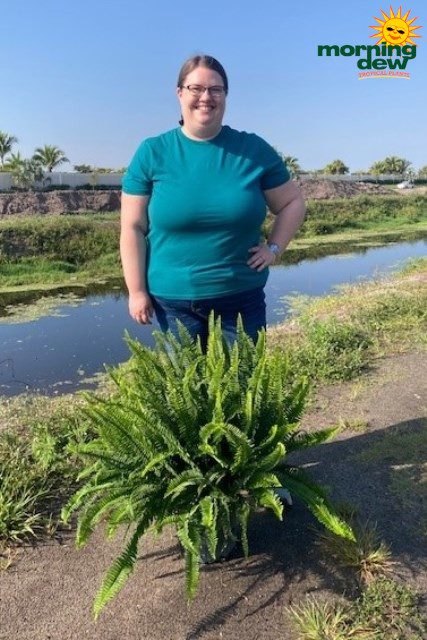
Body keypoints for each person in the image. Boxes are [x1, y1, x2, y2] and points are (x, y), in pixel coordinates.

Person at [120, 54, 305, 350]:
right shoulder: (152, 152)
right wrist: (137, 291)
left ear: (225, 95)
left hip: (241, 297)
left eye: (215, 89)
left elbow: (292, 202)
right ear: (180, 93)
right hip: (174, 303)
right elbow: (132, 227)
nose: (206, 97)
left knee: (243, 378)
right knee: (185, 381)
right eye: (196, 88)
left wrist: (273, 248)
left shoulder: (252, 150)